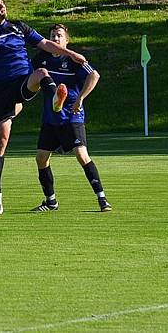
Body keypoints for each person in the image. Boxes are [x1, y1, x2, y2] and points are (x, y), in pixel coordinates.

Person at [0, 0, 87, 215]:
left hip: (21, 81)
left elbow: (46, 44)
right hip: (1, 90)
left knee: (41, 73)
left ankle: (55, 99)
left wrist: (71, 53)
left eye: (2, 3)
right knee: (1, 141)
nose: (2, 6)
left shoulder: (19, 27)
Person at [31, 24, 111, 212]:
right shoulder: (41, 59)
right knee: (41, 158)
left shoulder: (73, 59)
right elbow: (27, 76)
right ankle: (51, 202)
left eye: (59, 35)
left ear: (67, 40)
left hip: (72, 116)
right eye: (52, 36)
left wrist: (80, 99)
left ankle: (102, 199)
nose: (56, 38)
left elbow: (94, 75)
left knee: (82, 155)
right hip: (50, 118)